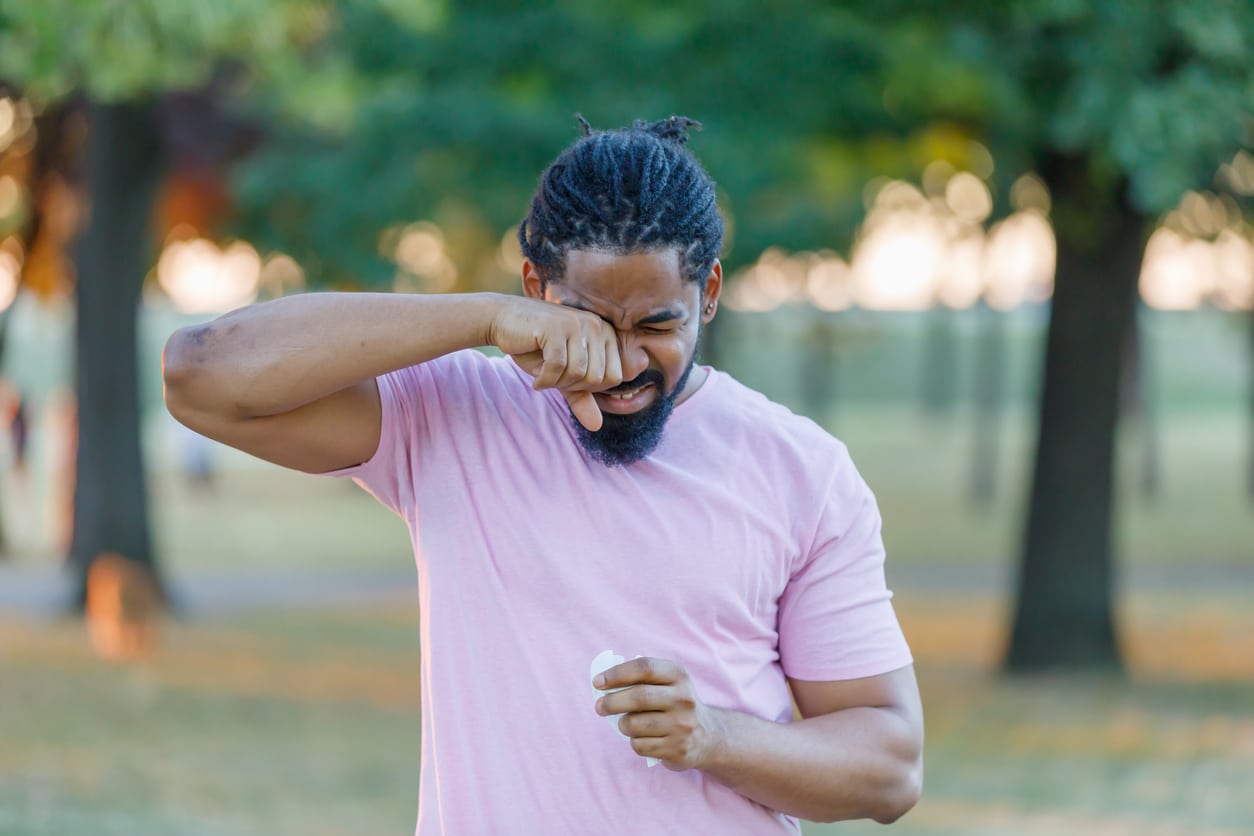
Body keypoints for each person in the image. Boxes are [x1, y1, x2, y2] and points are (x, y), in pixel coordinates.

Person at [162, 116, 923, 834]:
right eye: (590, 324)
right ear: (536, 287)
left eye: (658, 326)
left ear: (710, 293)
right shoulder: (454, 412)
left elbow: (889, 767)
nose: (623, 363)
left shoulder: (803, 472)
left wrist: (717, 737)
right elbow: (200, 374)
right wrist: (483, 320)